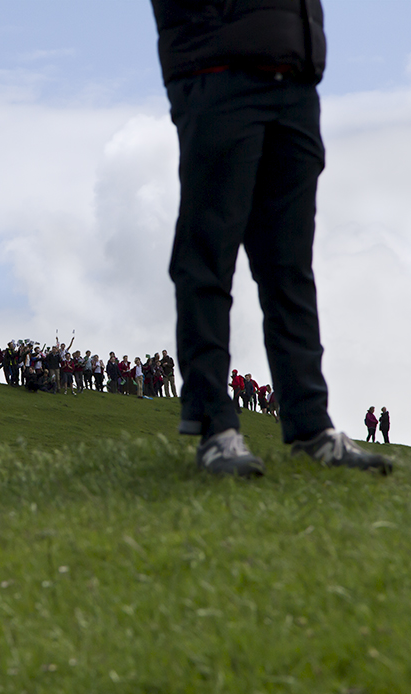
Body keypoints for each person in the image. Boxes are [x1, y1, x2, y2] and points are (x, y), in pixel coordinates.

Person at [150, 0, 391, 476]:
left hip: (295, 76)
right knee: (208, 256)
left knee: (290, 265)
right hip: (218, 70)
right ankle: (215, 428)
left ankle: (311, 426)